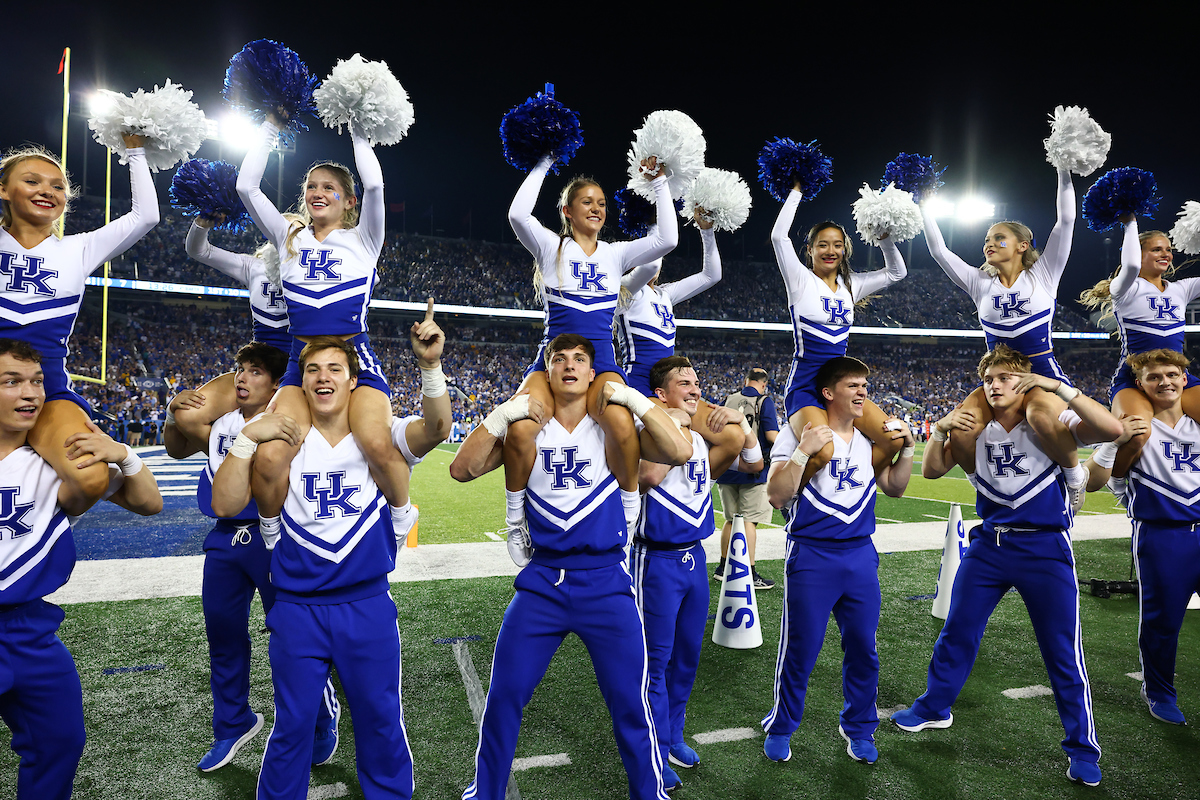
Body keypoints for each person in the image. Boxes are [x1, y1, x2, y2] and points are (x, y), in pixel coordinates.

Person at [213, 304, 450, 800]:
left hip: (366, 604)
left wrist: (429, 367)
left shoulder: (380, 437)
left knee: (381, 721)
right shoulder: (282, 440)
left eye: (334, 369)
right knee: (292, 727)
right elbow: (224, 502)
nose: (322, 378)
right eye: (313, 370)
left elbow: (436, 429)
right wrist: (244, 441)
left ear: (352, 381)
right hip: (297, 607)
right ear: (301, 383)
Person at [461, 334, 692, 800]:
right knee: (505, 697)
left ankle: (649, 792)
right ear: (547, 373)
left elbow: (680, 450)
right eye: (559, 359)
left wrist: (631, 397)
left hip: (606, 583)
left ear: (593, 373)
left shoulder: (612, 427)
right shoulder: (527, 427)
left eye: (580, 360)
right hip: (542, 583)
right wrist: (505, 412)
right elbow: (462, 468)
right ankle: (485, 790)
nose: (569, 366)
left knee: (631, 703)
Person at [893, 344, 1119, 787]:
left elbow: (1109, 427)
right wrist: (939, 429)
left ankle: (1082, 747)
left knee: (1062, 651)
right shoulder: (974, 424)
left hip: (1045, 548)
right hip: (990, 545)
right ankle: (934, 707)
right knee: (957, 631)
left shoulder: (1051, 422)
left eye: (1007, 378)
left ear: (1027, 381)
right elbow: (934, 471)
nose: (996, 385)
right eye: (989, 379)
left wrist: (1057, 387)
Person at [473, 150, 679, 551]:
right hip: (551, 361)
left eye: (602, 203)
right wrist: (544, 162)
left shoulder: (615, 254)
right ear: (567, 210)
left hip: (601, 361)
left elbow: (667, 239)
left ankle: (628, 505)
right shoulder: (551, 247)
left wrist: (659, 182)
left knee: (620, 426)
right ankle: (516, 519)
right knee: (522, 428)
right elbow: (518, 215)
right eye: (588, 201)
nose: (597, 208)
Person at [234, 111, 414, 549]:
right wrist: (272, 126)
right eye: (311, 186)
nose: (318, 192)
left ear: (348, 201)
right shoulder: (287, 236)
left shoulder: (364, 240)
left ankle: (401, 511)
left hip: (356, 358)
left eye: (329, 187)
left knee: (374, 441)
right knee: (274, 454)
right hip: (301, 362)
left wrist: (357, 129)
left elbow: (375, 185)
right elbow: (245, 187)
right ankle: (272, 525)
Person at [165, 342, 342, 771]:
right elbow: (175, 446)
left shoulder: (285, 422)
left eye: (255, 371)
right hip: (225, 539)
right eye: (240, 369)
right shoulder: (221, 422)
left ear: (277, 384)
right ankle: (232, 724)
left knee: (291, 635)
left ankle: (321, 717)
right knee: (223, 635)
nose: (242, 378)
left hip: (272, 536)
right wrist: (174, 408)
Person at [0, 337, 162, 800]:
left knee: (60, 743)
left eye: (36, 381)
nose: (31, 393)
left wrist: (125, 455)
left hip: (32, 631)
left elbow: (150, 503)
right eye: (12, 382)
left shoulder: (56, 466)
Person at [761, 356, 915, 765]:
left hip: (861, 554)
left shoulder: (871, 442)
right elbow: (777, 496)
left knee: (864, 648)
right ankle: (782, 725)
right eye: (853, 385)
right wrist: (802, 454)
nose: (863, 391)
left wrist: (909, 452)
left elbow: (896, 489)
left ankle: (860, 727)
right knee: (801, 649)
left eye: (865, 384)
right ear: (828, 393)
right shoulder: (800, 433)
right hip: (812, 554)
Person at [0, 138, 159, 513]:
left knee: (90, 477)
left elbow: (146, 217)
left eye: (58, 186)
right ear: (3, 189)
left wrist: (135, 151)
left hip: (46, 388)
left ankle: (41, 528)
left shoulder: (79, 248)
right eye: (32, 181)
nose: (47, 191)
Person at [920, 165, 1092, 509]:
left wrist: (1063, 169)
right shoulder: (979, 283)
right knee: (963, 429)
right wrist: (924, 204)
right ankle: (976, 480)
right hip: (996, 379)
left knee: (1041, 418)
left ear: (1022, 246)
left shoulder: (1043, 275)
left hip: (1039, 376)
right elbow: (940, 252)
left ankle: (1075, 477)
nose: (989, 244)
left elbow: (1066, 221)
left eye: (999, 238)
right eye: (986, 240)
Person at [632, 355, 762, 788]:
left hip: (693, 559)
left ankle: (672, 735)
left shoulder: (701, 441)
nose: (695, 388)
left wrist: (741, 427)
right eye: (683, 383)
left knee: (686, 659)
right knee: (655, 661)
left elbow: (753, 464)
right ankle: (652, 747)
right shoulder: (648, 433)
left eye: (696, 381)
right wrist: (673, 427)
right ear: (660, 395)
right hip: (655, 560)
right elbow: (648, 476)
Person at [1084, 349, 1197, 726]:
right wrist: (1116, 443)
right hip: (1164, 536)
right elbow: (1099, 483)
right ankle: (1160, 690)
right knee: (1162, 622)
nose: (1164, 381)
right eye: (1154, 377)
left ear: (1185, 378)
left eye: (1171, 374)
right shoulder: (1133, 430)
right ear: (1140, 385)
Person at [772, 185, 907, 490]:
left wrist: (883, 237)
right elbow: (779, 238)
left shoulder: (851, 286)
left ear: (844, 249)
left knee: (892, 439)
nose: (830, 251)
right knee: (824, 451)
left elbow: (896, 272)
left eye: (836, 245)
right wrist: (796, 191)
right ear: (810, 250)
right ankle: (792, 499)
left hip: (843, 385)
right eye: (822, 245)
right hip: (807, 384)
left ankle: (848, 488)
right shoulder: (800, 281)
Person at [1079, 219, 1200, 476]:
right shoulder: (1125, 288)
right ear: (1138, 251)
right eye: (1156, 249)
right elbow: (1131, 265)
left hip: (1175, 377)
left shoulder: (1182, 289)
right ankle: (1118, 484)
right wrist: (1130, 222)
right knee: (1136, 434)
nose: (1165, 254)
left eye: (1168, 249)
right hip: (1133, 377)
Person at [615, 211, 720, 396]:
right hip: (637, 384)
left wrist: (707, 231)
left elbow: (711, 276)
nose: (655, 260)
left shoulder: (665, 294)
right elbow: (651, 266)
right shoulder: (624, 289)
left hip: (668, 387)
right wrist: (653, 222)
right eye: (644, 254)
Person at [713, 366, 780, 589]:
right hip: (754, 468)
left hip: (728, 465)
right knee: (749, 521)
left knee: (731, 519)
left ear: (745, 380)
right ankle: (749, 571)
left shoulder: (728, 399)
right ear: (764, 384)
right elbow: (771, 435)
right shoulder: (764, 401)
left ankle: (723, 568)